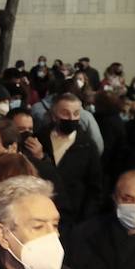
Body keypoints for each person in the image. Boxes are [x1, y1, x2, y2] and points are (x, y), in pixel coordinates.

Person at [39, 94, 103, 232]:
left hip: (74, 218)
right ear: (54, 115)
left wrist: (86, 219)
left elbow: (95, 186)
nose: (71, 118)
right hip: (42, 212)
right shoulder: (41, 138)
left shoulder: (87, 145)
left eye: (76, 113)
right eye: (65, 113)